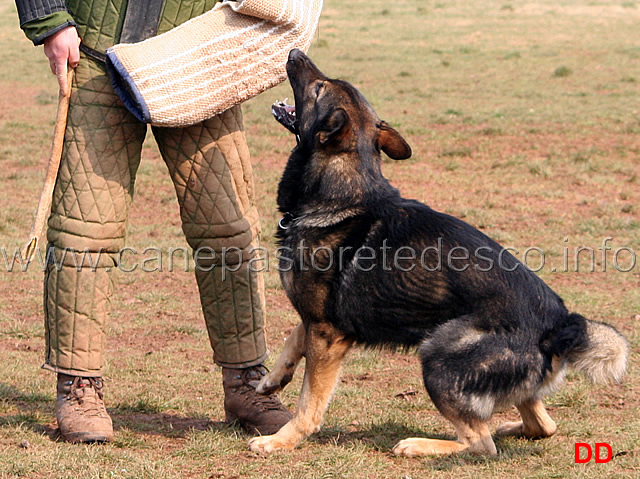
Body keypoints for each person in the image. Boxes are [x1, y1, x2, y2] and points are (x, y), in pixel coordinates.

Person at [15, 0, 292, 443]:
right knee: (84, 227)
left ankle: (247, 385)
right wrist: (49, 22)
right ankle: (79, 387)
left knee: (227, 226)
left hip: (196, 53)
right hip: (94, 46)